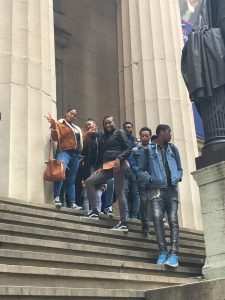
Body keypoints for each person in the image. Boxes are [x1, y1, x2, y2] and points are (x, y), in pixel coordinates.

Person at [85, 116, 131, 231]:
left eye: (110, 123)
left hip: (118, 164)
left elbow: (128, 148)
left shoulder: (119, 132)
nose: (108, 125)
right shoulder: (103, 136)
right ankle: (94, 211)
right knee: (89, 181)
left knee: (119, 192)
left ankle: (123, 222)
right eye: (105, 124)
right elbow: (102, 153)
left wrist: (119, 158)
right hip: (107, 166)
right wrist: (101, 167)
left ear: (114, 122)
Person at [149, 125, 183, 267]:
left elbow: (180, 168)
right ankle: (163, 251)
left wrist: (177, 177)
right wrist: (149, 179)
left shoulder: (173, 149)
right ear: (162, 133)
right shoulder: (149, 149)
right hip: (156, 190)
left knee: (173, 220)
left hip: (171, 190)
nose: (171, 135)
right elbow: (139, 168)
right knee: (157, 218)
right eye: (169, 132)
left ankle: (174, 253)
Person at [45, 109, 83, 209]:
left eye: (75, 115)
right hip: (64, 151)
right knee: (60, 174)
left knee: (71, 180)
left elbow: (82, 142)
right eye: (71, 113)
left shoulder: (77, 128)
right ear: (66, 114)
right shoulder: (59, 124)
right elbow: (55, 137)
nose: (72, 116)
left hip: (75, 154)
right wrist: (53, 125)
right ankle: (57, 197)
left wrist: (88, 134)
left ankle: (72, 203)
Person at [129, 127, 152, 236]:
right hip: (141, 179)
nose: (144, 137)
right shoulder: (135, 150)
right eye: (142, 135)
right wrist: (139, 173)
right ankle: (145, 226)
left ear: (150, 137)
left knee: (156, 202)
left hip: (154, 179)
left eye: (146, 136)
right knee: (144, 202)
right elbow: (132, 164)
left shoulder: (154, 148)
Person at [81, 118, 104, 213]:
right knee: (86, 193)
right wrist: (86, 135)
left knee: (98, 193)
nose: (88, 126)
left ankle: (97, 212)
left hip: (100, 167)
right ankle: (87, 212)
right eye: (87, 126)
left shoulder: (102, 136)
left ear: (95, 125)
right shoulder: (86, 137)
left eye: (90, 124)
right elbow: (81, 150)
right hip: (88, 167)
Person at [123, 121, 140, 219]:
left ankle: (134, 216)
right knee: (124, 192)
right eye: (125, 127)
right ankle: (125, 214)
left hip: (134, 171)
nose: (127, 129)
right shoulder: (120, 140)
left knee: (135, 193)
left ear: (132, 129)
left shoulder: (137, 142)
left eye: (129, 127)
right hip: (124, 170)